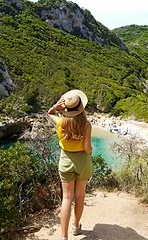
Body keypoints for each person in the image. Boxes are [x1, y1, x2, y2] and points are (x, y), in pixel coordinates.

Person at [47, 89, 93, 239]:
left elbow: (49, 113)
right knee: (80, 196)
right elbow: (87, 148)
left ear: (66, 109)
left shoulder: (60, 122)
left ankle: (64, 236)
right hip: (82, 162)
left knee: (66, 198)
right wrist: (90, 150)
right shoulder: (86, 125)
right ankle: (76, 227)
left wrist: (56, 107)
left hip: (65, 160)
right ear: (81, 108)